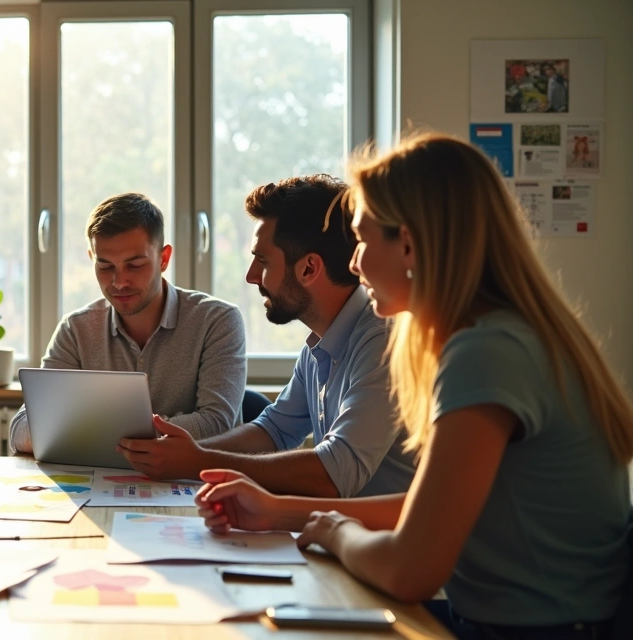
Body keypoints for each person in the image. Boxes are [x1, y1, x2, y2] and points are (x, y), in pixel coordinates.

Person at [197, 133, 632, 640]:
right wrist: (282, 510)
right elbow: (426, 508)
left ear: (407, 242)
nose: (354, 263)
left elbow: (411, 568)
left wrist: (335, 530)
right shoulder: (503, 334)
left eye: (361, 240)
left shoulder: (486, 352)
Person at [118, 175, 416, 496]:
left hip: (392, 541)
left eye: (262, 260)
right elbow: (274, 430)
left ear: (308, 269)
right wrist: (182, 452)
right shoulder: (321, 342)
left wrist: (198, 461)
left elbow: (334, 474)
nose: (251, 276)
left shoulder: (384, 340)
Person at [9, 192, 247, 453]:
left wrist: (88, 433)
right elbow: (23, 429)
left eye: (134, 265)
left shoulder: (217, 321)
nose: (119, 282)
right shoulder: (75, 330)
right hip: (100, 488)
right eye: (105, 266)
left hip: (194, 485)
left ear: (163, 259)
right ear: (91, 259)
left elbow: (218, 423)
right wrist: (139, 433)